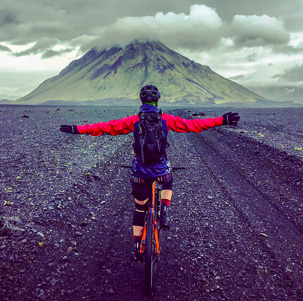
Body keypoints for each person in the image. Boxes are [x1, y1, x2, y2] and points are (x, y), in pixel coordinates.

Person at [60, 84, 240, 261]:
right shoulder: (166, 119)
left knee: (140, 208)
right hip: (160, 169)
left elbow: (106, 127)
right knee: (168, 180)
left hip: (140, 172)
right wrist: (221, 120)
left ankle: (138, 246)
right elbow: (193, 125)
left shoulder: (133, 121)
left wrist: (78, 129)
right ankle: (164, 209)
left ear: (141, 100)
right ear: (157, 100)